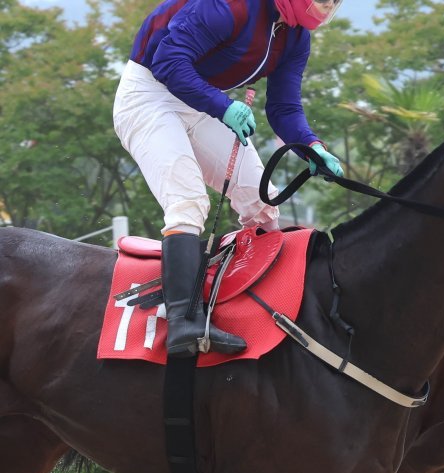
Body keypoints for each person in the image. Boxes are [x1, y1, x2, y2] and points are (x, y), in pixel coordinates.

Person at [114, 0, 346, 357]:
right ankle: (184, 323)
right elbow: (167, 61)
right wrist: (223, 107)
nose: (329, 3)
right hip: (149, 94)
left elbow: (284, 107)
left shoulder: (296, 37)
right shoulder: (230, 6)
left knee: (262, 199)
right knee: (188, 200)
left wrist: (312, 147)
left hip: (199, 101)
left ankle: (272, 305)